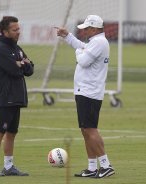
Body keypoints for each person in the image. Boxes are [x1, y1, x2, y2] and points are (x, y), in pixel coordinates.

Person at [55, 15, 115, 179]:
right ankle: (91, 167)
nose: (84, 31)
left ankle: (105, 165)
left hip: (89, 92)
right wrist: (67, 36)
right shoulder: (96, 42)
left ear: (94, 29)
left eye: (87, 28)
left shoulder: (99, 42)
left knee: (90, 129)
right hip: (85, 91)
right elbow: (82, 48)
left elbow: (83, 61)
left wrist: (78, 51)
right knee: (85, 130)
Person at [0, 16, 34, 176]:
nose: (18, 32)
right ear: (5, 31)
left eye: (18, 29)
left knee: (12, 133)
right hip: (4, 98)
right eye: (15, 30)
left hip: (16, 98)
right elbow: (14, 70)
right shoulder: (1, 49)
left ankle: (8, 166)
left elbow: (30, 69)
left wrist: (22, 64)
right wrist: (21, 64)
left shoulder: (17, 48)